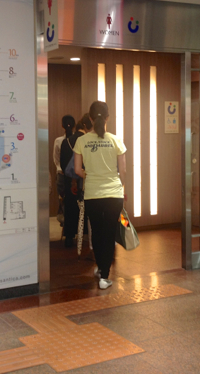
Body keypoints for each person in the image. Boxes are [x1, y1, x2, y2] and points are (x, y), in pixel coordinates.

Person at [74, 101, 126, 289]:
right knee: (109, 233)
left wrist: (90, 175)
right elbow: (123, 170)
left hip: (93, 194)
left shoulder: (82, 141)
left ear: (89, 118)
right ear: (107, 118)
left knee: (96, 232)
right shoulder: (116, 140)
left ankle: (101, 268)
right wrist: (122, 187)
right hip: (114, 194)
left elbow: (77, 170)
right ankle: (104, 275)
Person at [59, 115, 78, 246]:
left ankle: (69, 237)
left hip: (66, 178)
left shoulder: (61, 141)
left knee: (68, 207)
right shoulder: (83, 140)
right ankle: (83, 234)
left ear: (62, 125)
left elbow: (58, 161)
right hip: (81, 179)